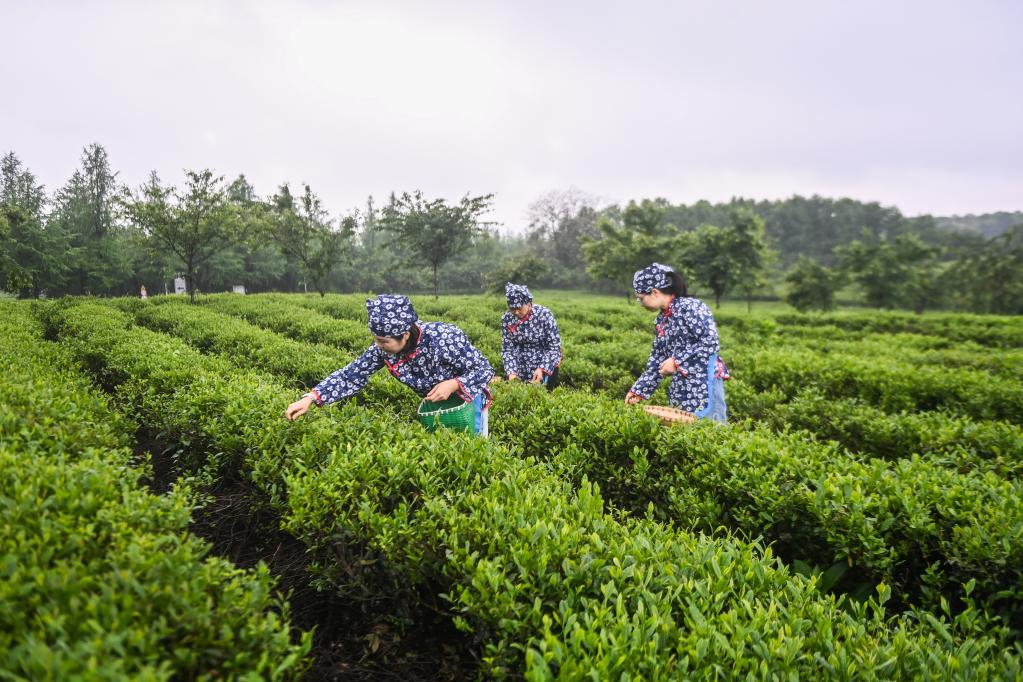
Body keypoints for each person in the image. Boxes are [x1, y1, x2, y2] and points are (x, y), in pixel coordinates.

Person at [284, 294, 495, 435]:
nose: (378, 346)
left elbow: (484, 369)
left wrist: (454, 383)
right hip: (436, 406)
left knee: (471, 447)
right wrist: (311, 398)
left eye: (383, 341)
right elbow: (351, 374)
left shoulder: (444, 337)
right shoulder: (383, 351)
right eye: (376, 339)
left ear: (404, 334)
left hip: (468, 400)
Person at [625, 263, 728, 423]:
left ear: (654, 292)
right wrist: (639, 390)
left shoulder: (691, 307)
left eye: (641, 298)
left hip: (704, 380)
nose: (641, 304)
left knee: (711, 432)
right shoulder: (661, 319)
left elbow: (710, 343)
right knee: (684, 433)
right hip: (682, 386)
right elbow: (657, 358)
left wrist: (676, 360)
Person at [501, 283, 562, 391]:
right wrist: (511, 372)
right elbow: (507, 349)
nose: (516, 312)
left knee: (542, 396)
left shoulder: (544, 315)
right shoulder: (507, 318)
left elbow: (554, 347)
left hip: (546, 361)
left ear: (529, 303)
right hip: (521, 365)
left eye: (519, 308)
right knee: (522, 397)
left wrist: (542, 368)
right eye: (512, 309)